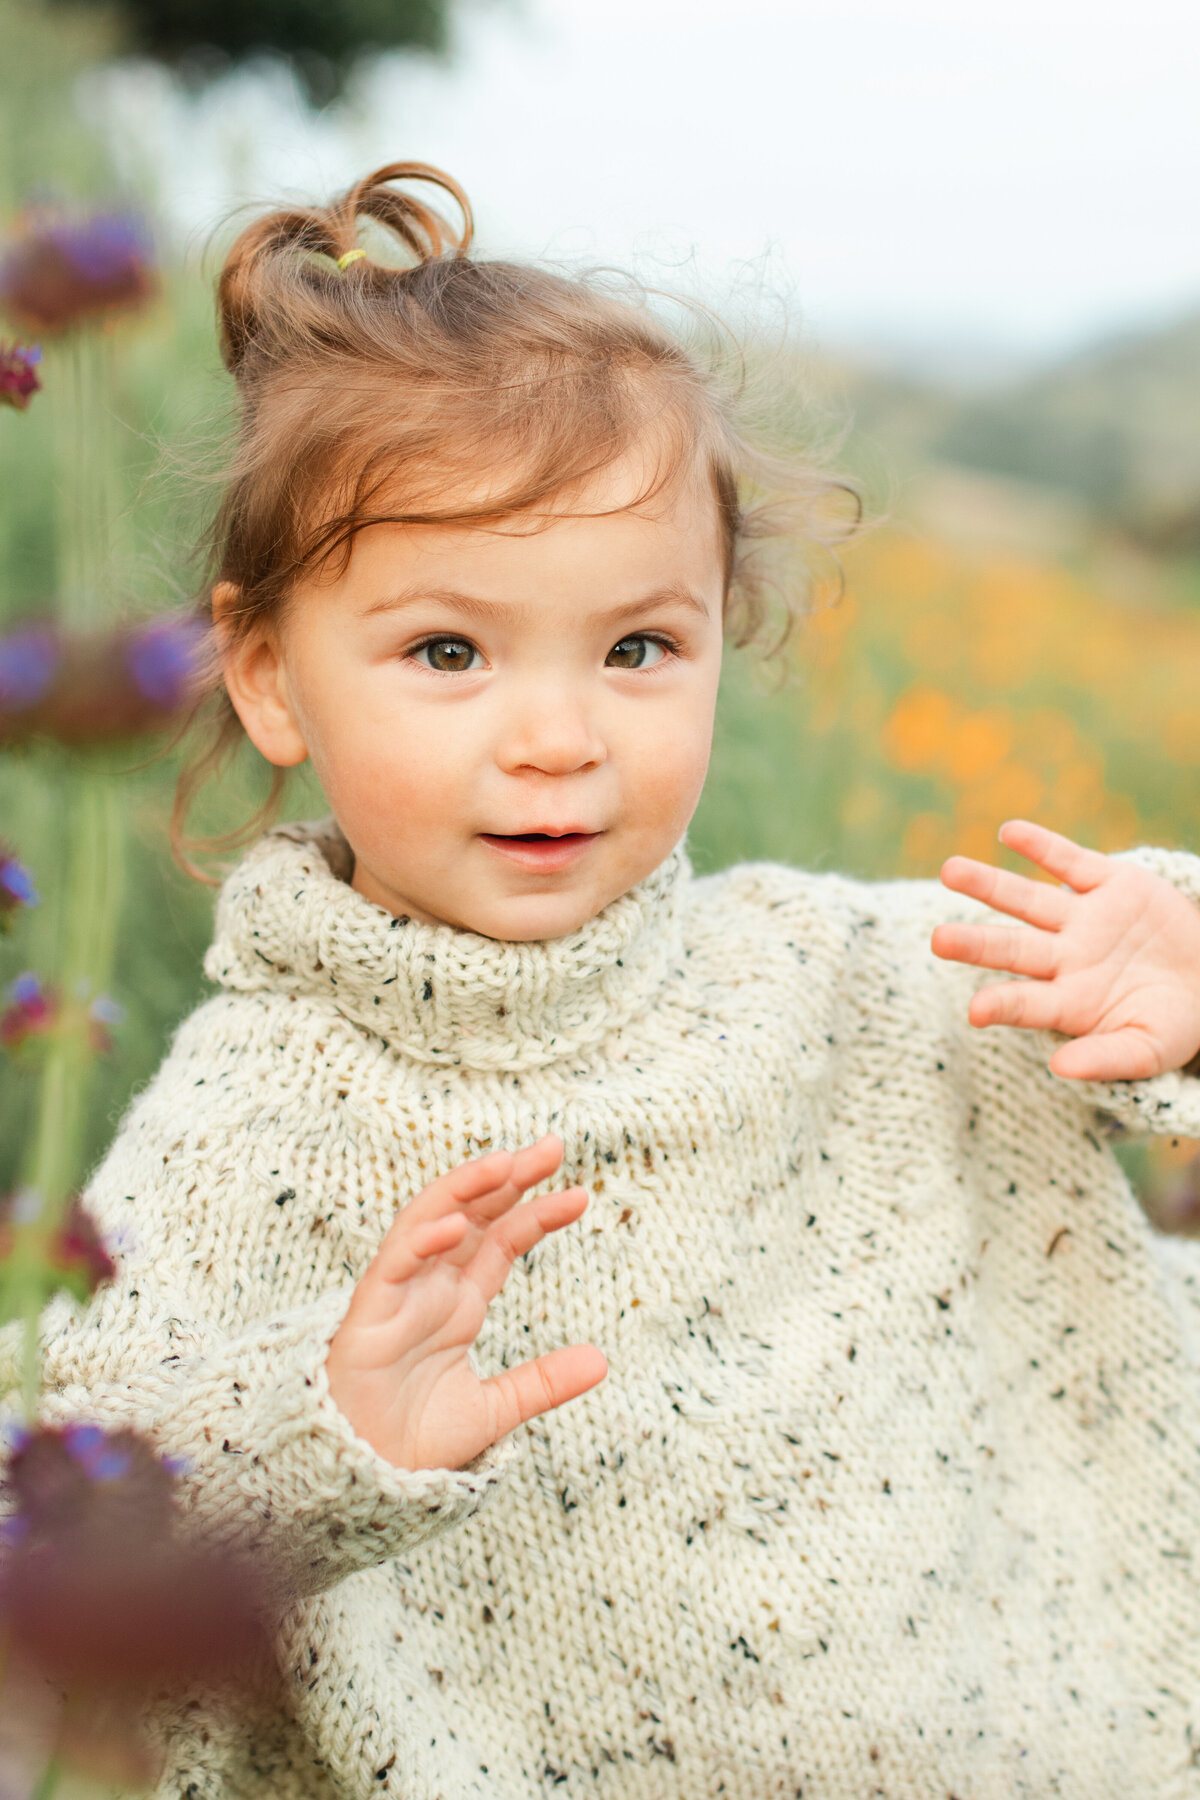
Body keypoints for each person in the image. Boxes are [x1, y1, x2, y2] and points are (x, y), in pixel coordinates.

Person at [23, 161, 1200, 1799]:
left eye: (639, 648)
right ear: (271, 674)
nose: (561, 736)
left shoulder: (861, 972)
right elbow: (70, 1563)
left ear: (725, 634)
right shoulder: (242, 1135)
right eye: (450, 651)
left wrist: (1184, 975)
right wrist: (325, 1431)